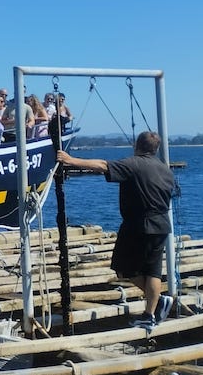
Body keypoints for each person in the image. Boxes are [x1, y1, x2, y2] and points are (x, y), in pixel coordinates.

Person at [57, 132, 176, 328]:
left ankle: (154, 305)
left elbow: (103, 165)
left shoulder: (134, 163)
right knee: (153, 271)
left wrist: (71, 160)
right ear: (156, 149)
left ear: (137, 145)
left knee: (123, 268)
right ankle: (151, 312)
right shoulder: (166, 170)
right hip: (161, 225)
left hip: (139, 225)